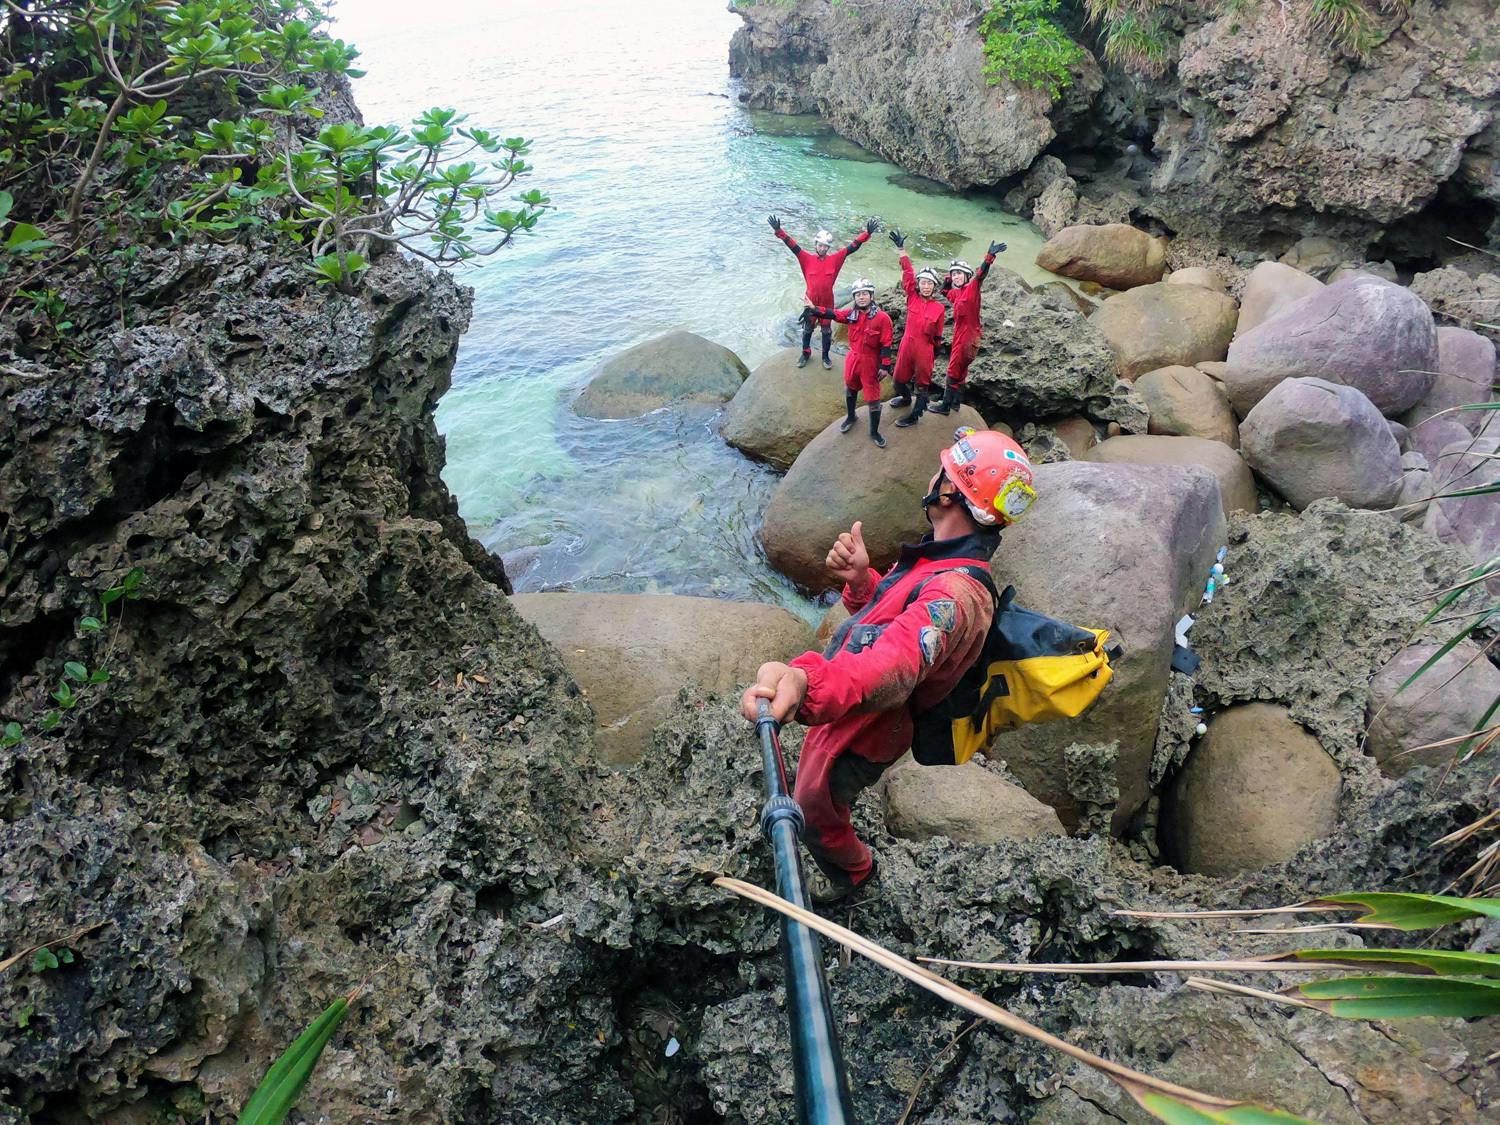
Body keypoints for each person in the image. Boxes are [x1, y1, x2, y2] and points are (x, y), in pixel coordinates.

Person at [739, 428, 1038, 904]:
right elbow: (889, 621)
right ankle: (845, 850)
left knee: (816, 806)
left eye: (944, 469)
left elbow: (892, 667)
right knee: (816, 785)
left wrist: (805, 681)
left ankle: (856, 877)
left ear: (951, 493)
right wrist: (861, 581)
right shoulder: (940, 564)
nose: (934, 472)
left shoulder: (953, 595)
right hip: (851, 701)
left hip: (871, 722)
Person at [769, 214, 879, 369]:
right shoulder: (806, 258)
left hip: (827, 301)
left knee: (826, 331)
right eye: (820, 245)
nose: (822, 248)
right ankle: (806, 352)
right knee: (808, 329)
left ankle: (825, 356)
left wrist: (866, 234)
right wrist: (779, 230)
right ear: (815, 245)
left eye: (825, 246)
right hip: (810, 301)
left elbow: (851, 247)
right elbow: (792, 246)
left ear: (828, 248)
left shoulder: (835, 259)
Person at [804, 278, 894, 448]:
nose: (861, 297)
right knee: (850, 389)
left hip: (870, 362)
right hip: (853, 359)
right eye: (858, 294)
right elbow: (833, 314)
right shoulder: (851, 314)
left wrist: (885, 366)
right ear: (854, 297)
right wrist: (814, 309)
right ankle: (851, 416)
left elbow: (886, 343)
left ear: (871, 296)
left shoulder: (883, 319)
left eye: (865, 294)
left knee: (873, 399)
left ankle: (874, 432)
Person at [931, 240, 1005, 416]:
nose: (956, 277)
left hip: (967, 337)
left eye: (959, 274)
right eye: (954, 274)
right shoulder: (957, 293)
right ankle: (956, 403)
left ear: (966, 276)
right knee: (961, 371)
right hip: (964, 336)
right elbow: (944, 292)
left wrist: (989, 256)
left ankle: (945, 406)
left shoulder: (972, 287)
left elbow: (980, 274)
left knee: (953, 370)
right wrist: (949, 277)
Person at [885, 228, 946, 428]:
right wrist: (902, 250)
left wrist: (933, 352)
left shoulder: (939, 308)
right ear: (918, 285)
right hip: (907, 345)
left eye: (930, 283)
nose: (926, 286)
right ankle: (904, 398)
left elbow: (938, 336)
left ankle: (915, 415)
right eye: (923, 283)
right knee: (898, 380)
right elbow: (908, 274)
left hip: (925, 349)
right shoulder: (912, 297)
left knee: (922, 384)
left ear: (935, 286)